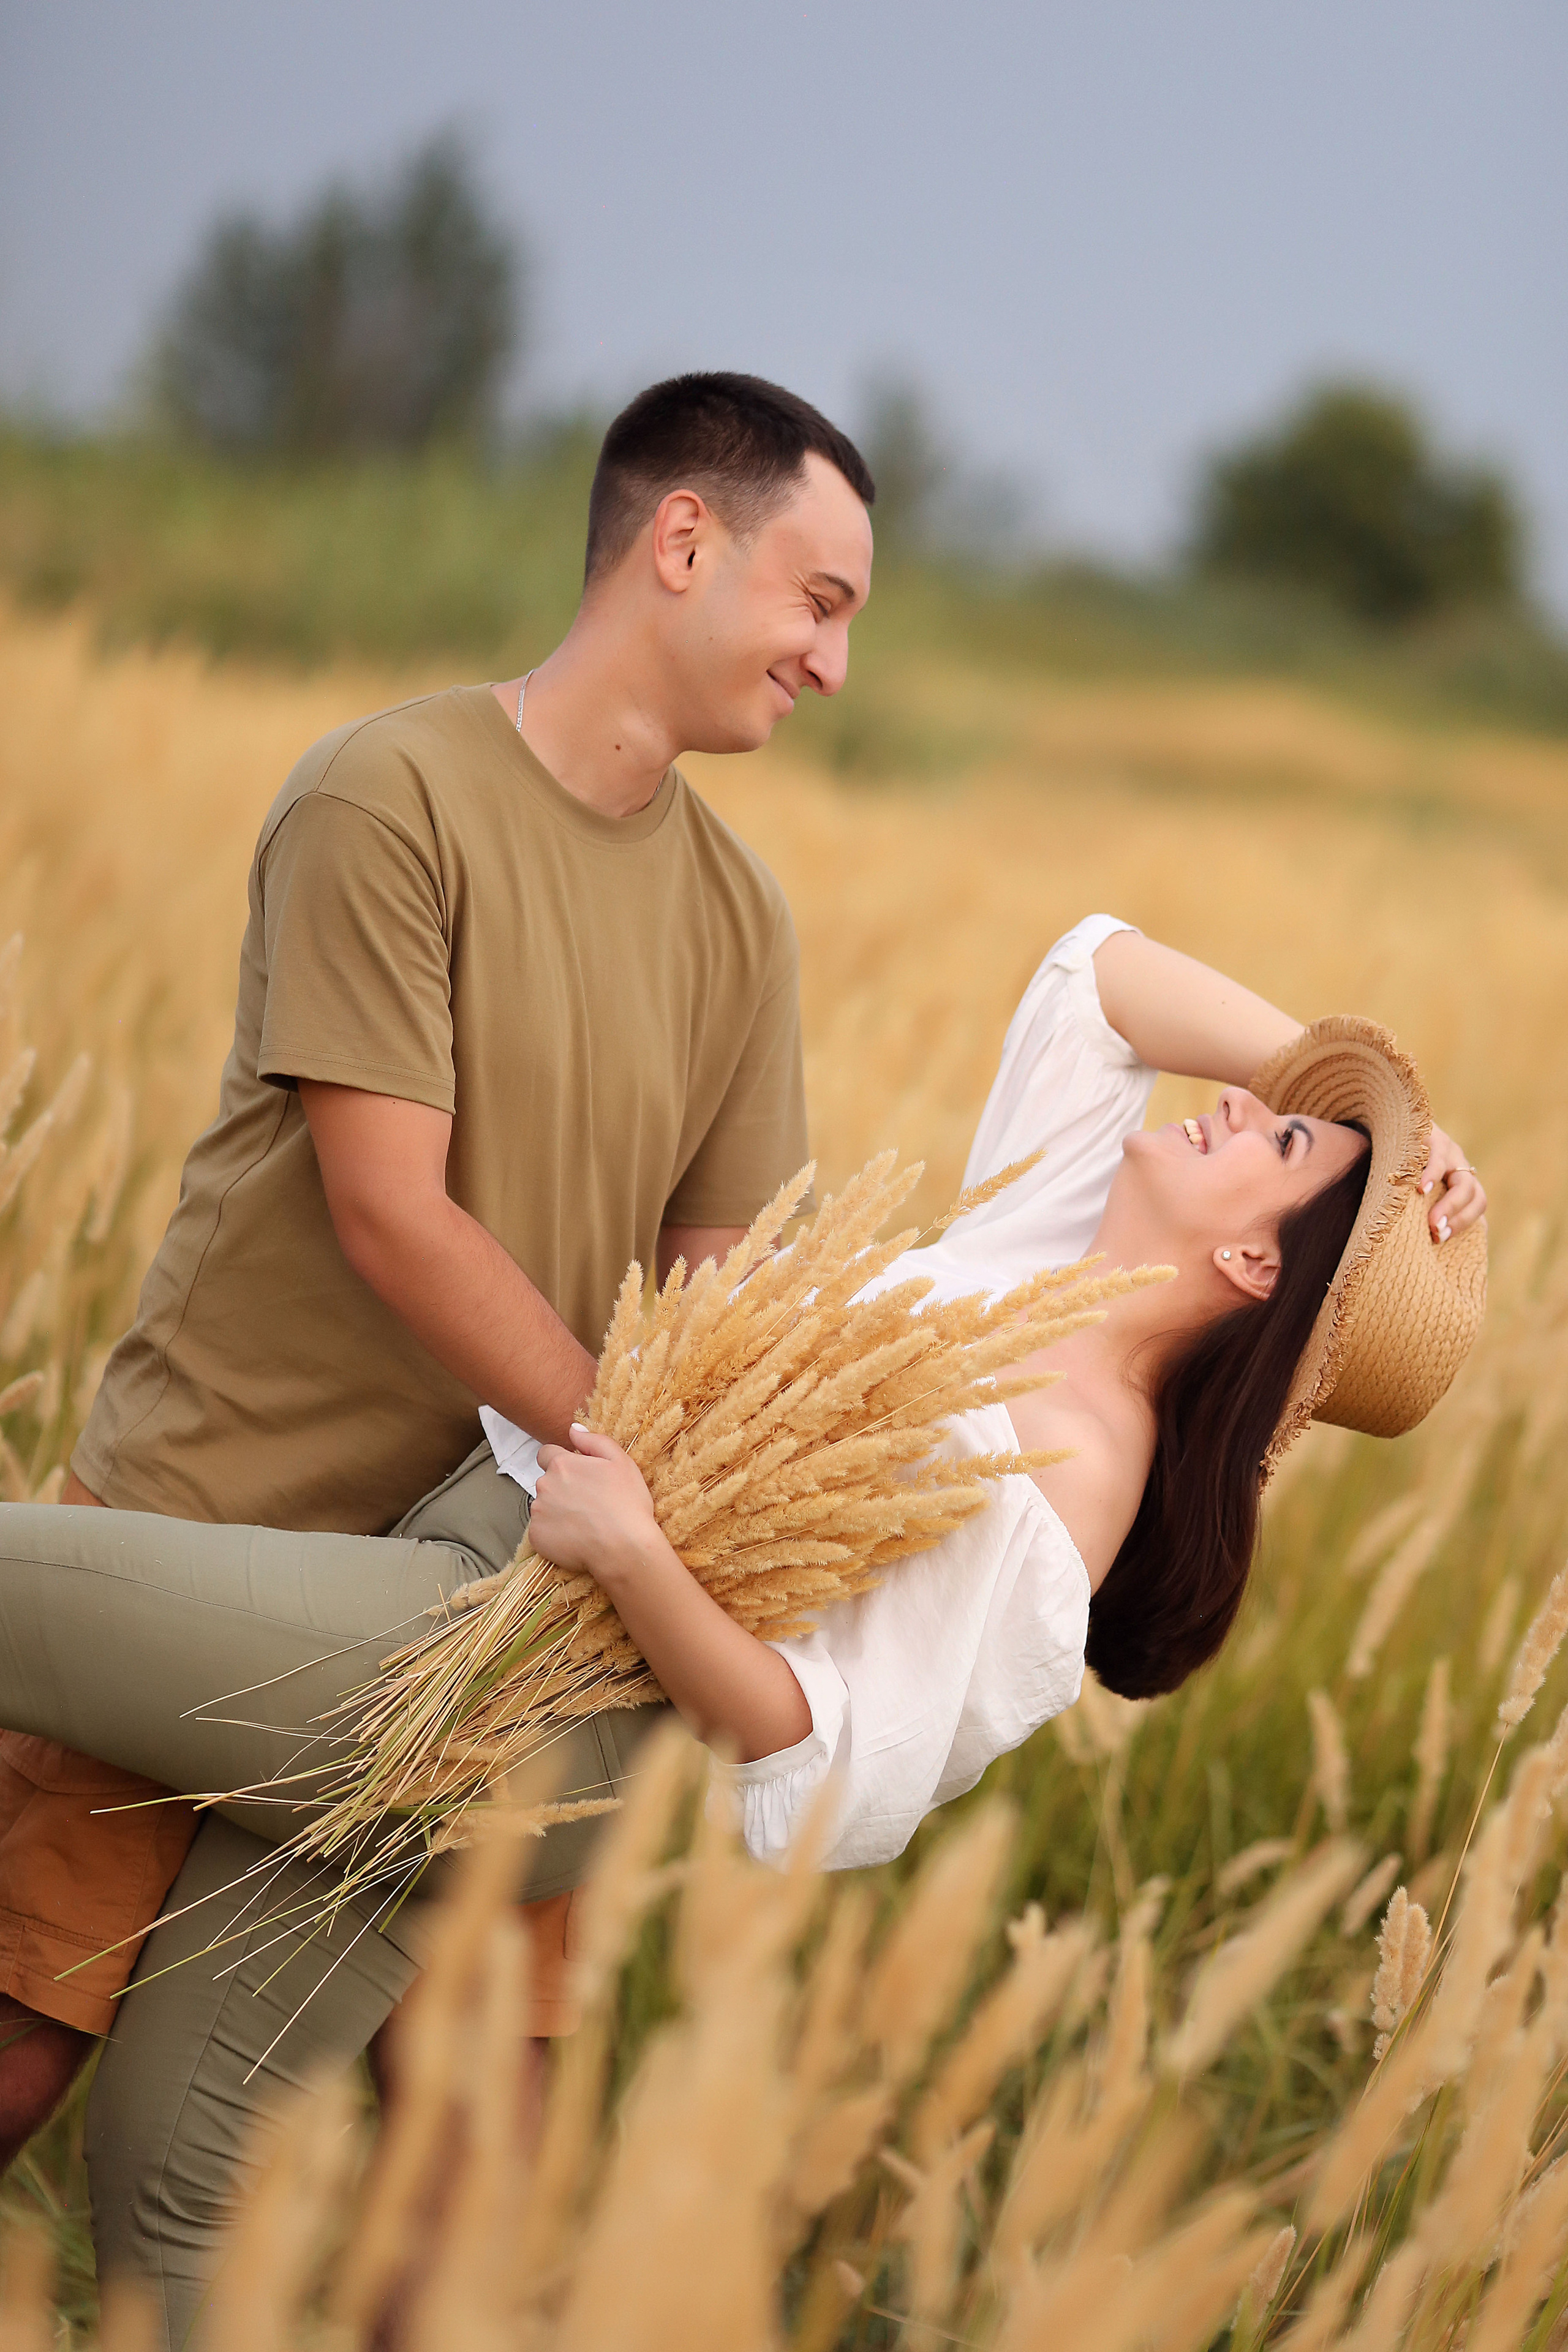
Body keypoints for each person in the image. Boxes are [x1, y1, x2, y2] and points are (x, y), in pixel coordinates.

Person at [0, 916, 1485, 2343]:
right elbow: (1093, 972)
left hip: (508, 1691)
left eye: (1280, 1141)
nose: (1241, 1103)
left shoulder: (1075, 1476)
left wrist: (639, 1559)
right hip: (477, 1593)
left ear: (1250, 1272)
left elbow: (829, 1764)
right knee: (171, 2176)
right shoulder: (1050, 1250)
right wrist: (1368, 1119)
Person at [0, 369, 877, 2182]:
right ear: (683, 541)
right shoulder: (387, 795)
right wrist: (641, 1472)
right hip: (203, 1537)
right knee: (17, 2053)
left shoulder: (741, 921)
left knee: (476, 2181)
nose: (833, 663)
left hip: (499, 1641)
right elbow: (394, 1211)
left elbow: (711, 1310)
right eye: (823, 599)